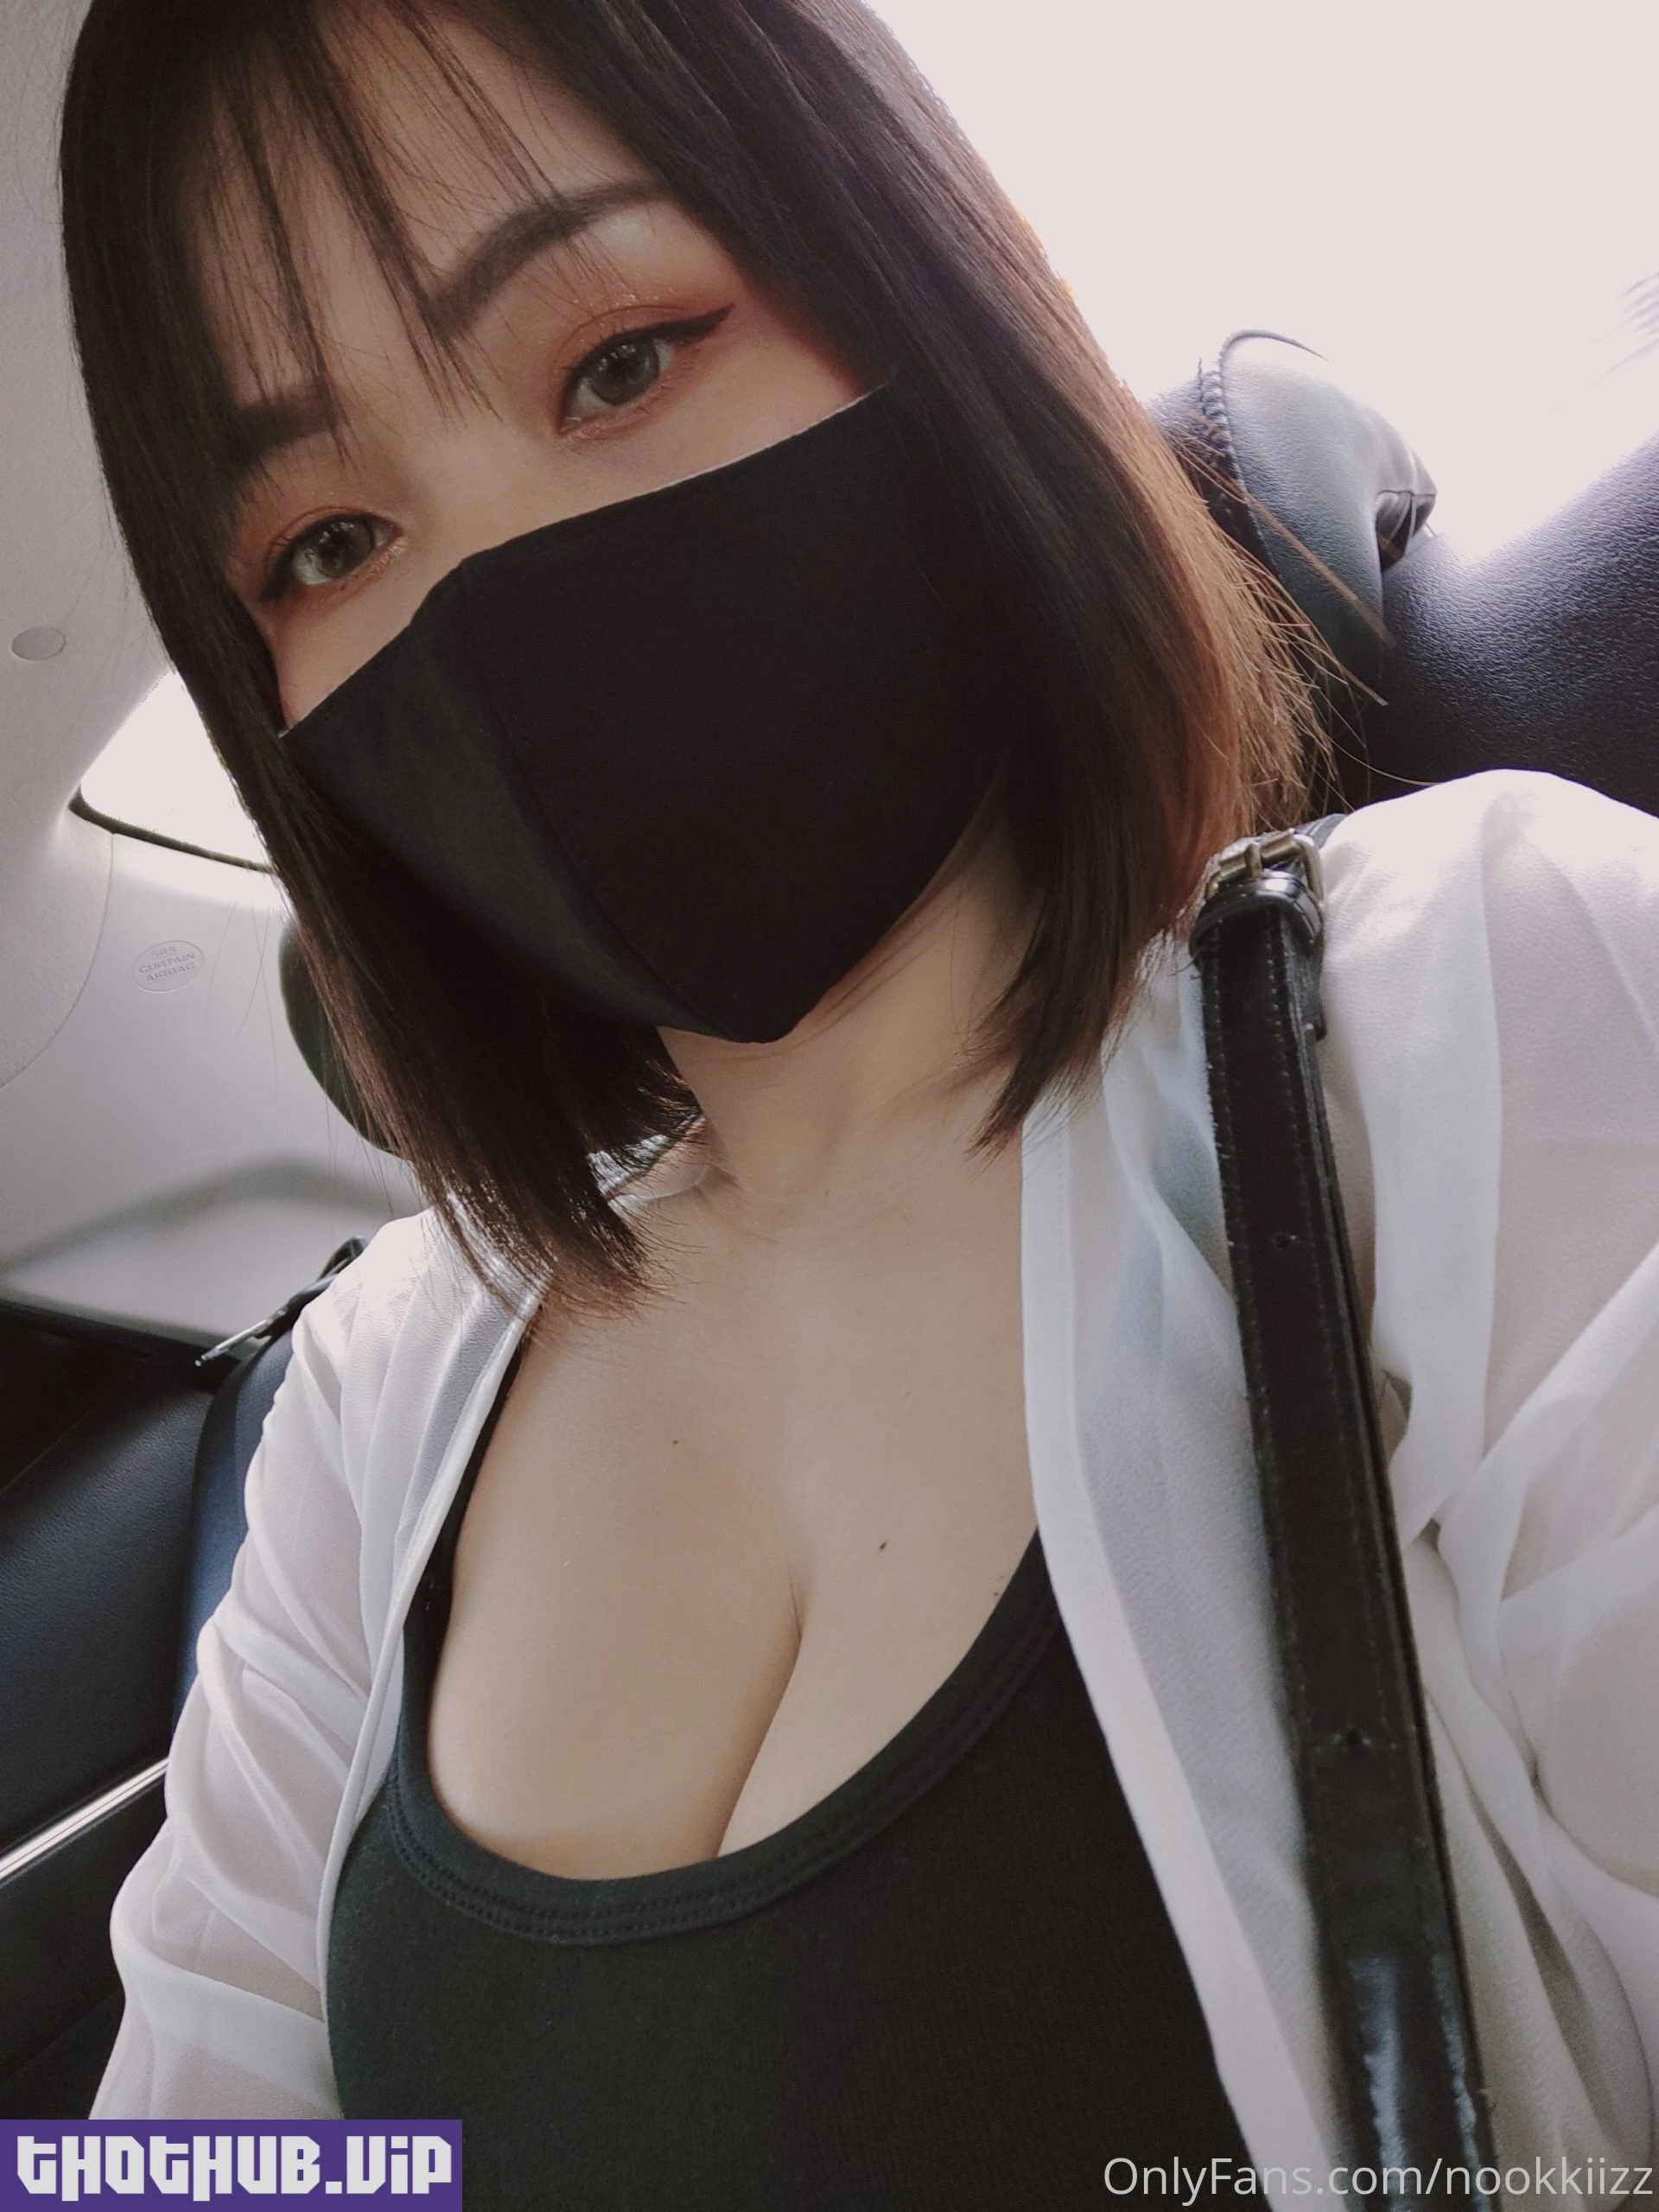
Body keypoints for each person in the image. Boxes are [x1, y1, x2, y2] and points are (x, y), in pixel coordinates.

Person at [60, 0, 1659, 2198]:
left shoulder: (1484, 1001)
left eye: (619, 360)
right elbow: (199, 2148)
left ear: (921, 296)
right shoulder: (373, 1391)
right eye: (327, 542)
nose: (494, 581)